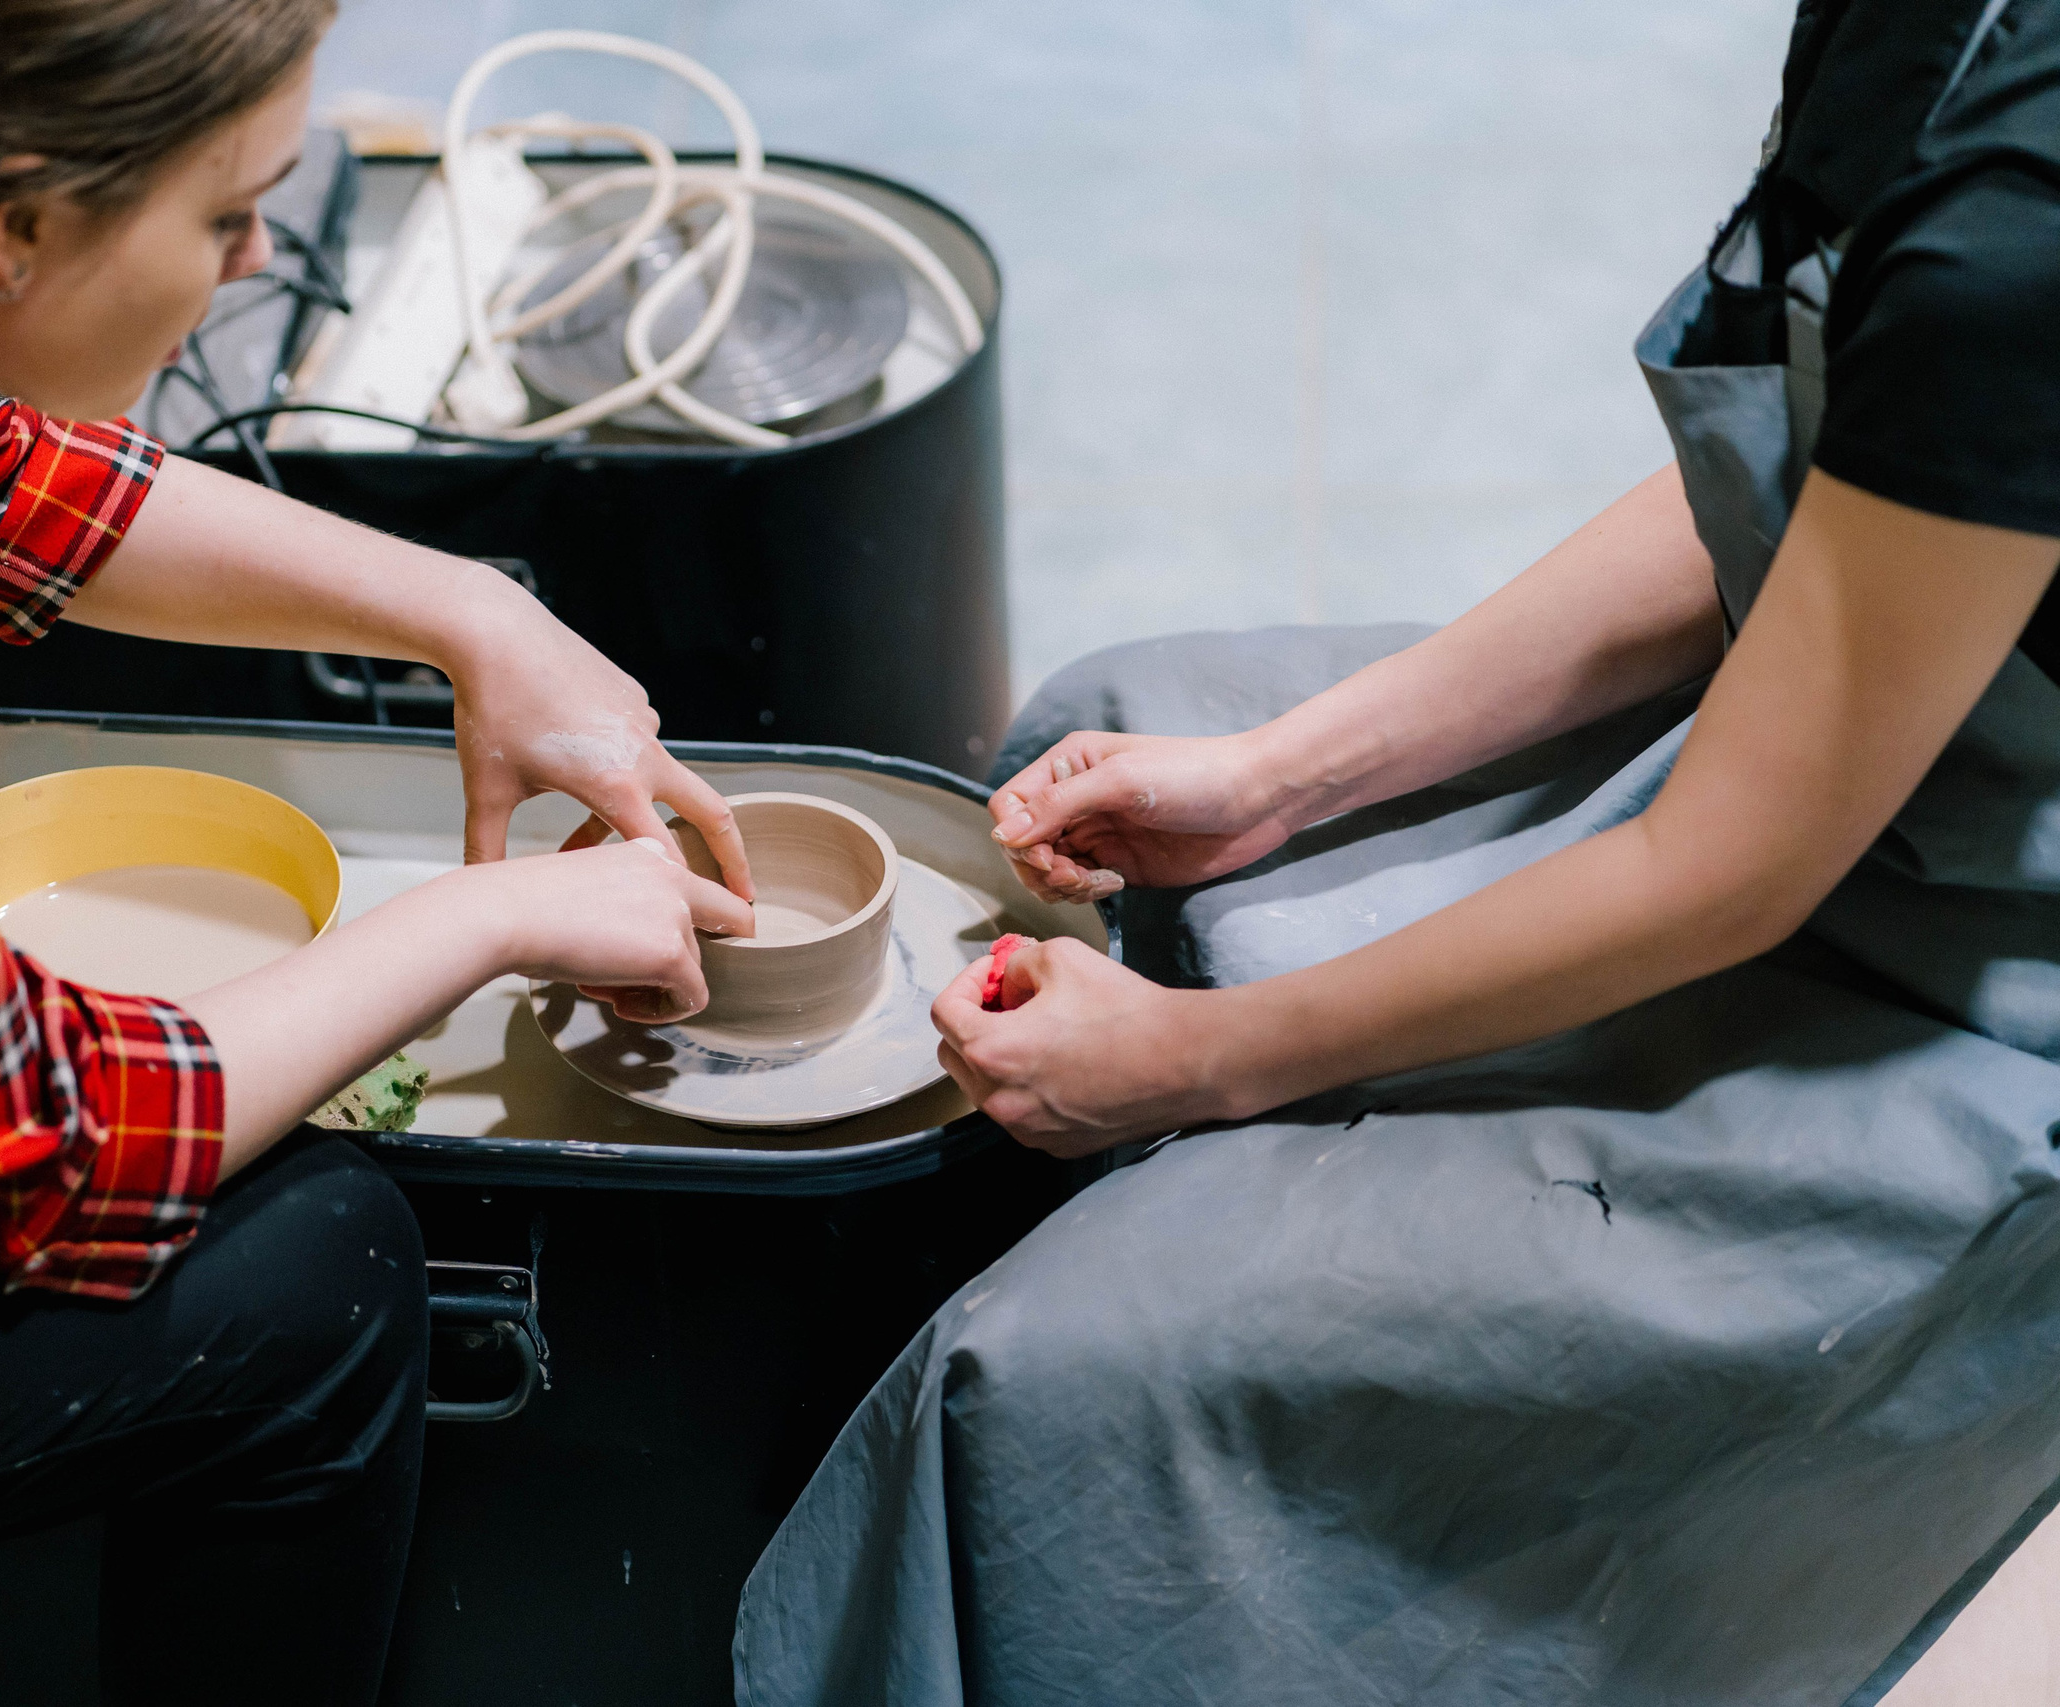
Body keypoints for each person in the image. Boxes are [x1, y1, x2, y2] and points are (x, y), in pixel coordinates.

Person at [737, 2, 2060, 1703]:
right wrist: (1280, 776)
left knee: (1069, 1380)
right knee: (1125, 719)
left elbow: (1733, 864)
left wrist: (1198, 1065)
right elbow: (1813, 489)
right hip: (1844, 740)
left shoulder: (2018, 222)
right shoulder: (1929, 34)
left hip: (1967, 979)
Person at [0, 2, 760, 1702]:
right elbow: (22, 1159)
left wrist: (472, 616)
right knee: (328, 1269)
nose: (258, 263)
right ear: (13, 223)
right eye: (227, 211)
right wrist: (496, 916)